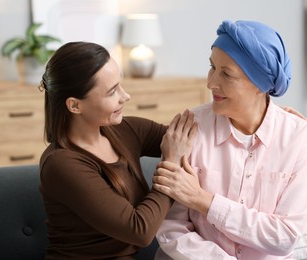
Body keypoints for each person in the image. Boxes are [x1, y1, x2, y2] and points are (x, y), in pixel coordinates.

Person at [153, 20, 307, 259]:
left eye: (226, 74)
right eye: (212, 67)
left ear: (260, 85)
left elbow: (284, 237)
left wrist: (203, 200)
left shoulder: (297, 138)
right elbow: (172, 230)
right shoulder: (189, 130)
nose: (211, 83)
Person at [38, 41, 198, 259]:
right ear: (75, 105)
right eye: (112, 91)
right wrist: (171, 162)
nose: (126, 96)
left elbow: (188, 139)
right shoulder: (62, 164)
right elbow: (139, 230)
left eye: (120, 85)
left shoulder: (123, 130)